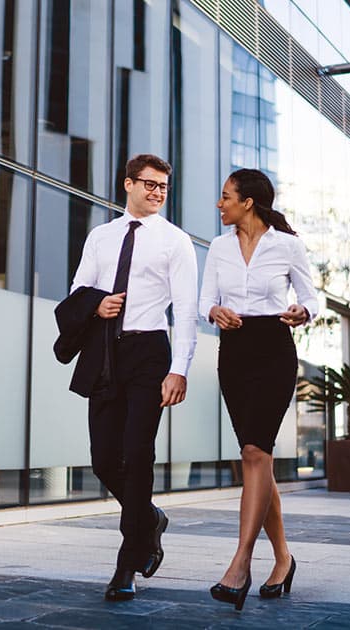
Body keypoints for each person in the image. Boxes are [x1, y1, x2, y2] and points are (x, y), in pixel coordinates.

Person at [61, 154, 198, 601]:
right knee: (104, 460)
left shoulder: (175, 242)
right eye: (149, 184)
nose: (157, 192)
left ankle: (127, 564)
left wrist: (179, 368)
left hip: (149, 354)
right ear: (128, 185)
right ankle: (149, 519)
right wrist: (97, 304)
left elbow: (187, 311)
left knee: (137, 454)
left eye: (163, 186)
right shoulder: (101, 237)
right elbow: (76, 293)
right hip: (105, 353)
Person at [199, 168, 318, 610]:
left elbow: (313, 296)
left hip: (273, 348)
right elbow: (202, 298)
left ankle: (240, 563)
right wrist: (214, 311)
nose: (219, 203)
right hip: (234, 351)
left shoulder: (287, 245)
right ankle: (283, 558)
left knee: (254, 452)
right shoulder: (218, 246)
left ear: (247, 202)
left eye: (226, 196)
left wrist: (303, 311)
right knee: (257, 459)